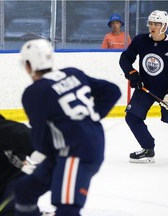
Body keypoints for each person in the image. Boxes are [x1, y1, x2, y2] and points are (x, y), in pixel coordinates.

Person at [14, 38, 121, 216]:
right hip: (76, 148)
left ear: (28, 65)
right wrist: (91, 117)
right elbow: (112, 91)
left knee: (67, 208)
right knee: (25, 190)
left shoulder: (34, 92)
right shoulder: (73, 74)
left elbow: (39, 137)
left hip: (76, 152)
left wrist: (44, 152)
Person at [119, 10, 168, 163]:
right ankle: (148, 148)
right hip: (146, 88)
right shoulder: (141, 41)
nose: (152, 27)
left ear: (165, 26)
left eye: (157, 24)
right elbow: (125, 59)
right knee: (132, 117)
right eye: (151, 23)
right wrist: (133, 74)